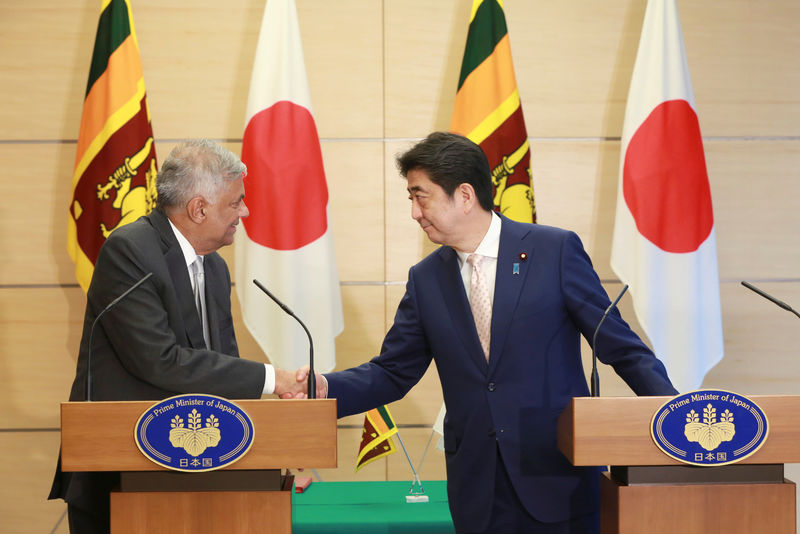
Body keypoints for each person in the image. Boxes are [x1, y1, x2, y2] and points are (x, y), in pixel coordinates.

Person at [296, 132, 678, 534]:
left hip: (555, 474)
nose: (413, 212)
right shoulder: (426, 279)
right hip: (478, 488)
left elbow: (621, 348)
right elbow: (393, 372)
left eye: (419, 196)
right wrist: (323, 387)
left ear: (463, 195)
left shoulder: (554, 251)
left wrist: (676, 418)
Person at [49, 139, 305, 533]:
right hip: (121, 476)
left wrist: (269, 456)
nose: (245, 211)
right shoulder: (130, 251)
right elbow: (160, 361)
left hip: (201, 477)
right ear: (199, 208)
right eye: (236, 202)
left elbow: (224, 371)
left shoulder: (214, 268)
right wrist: (275, 379)